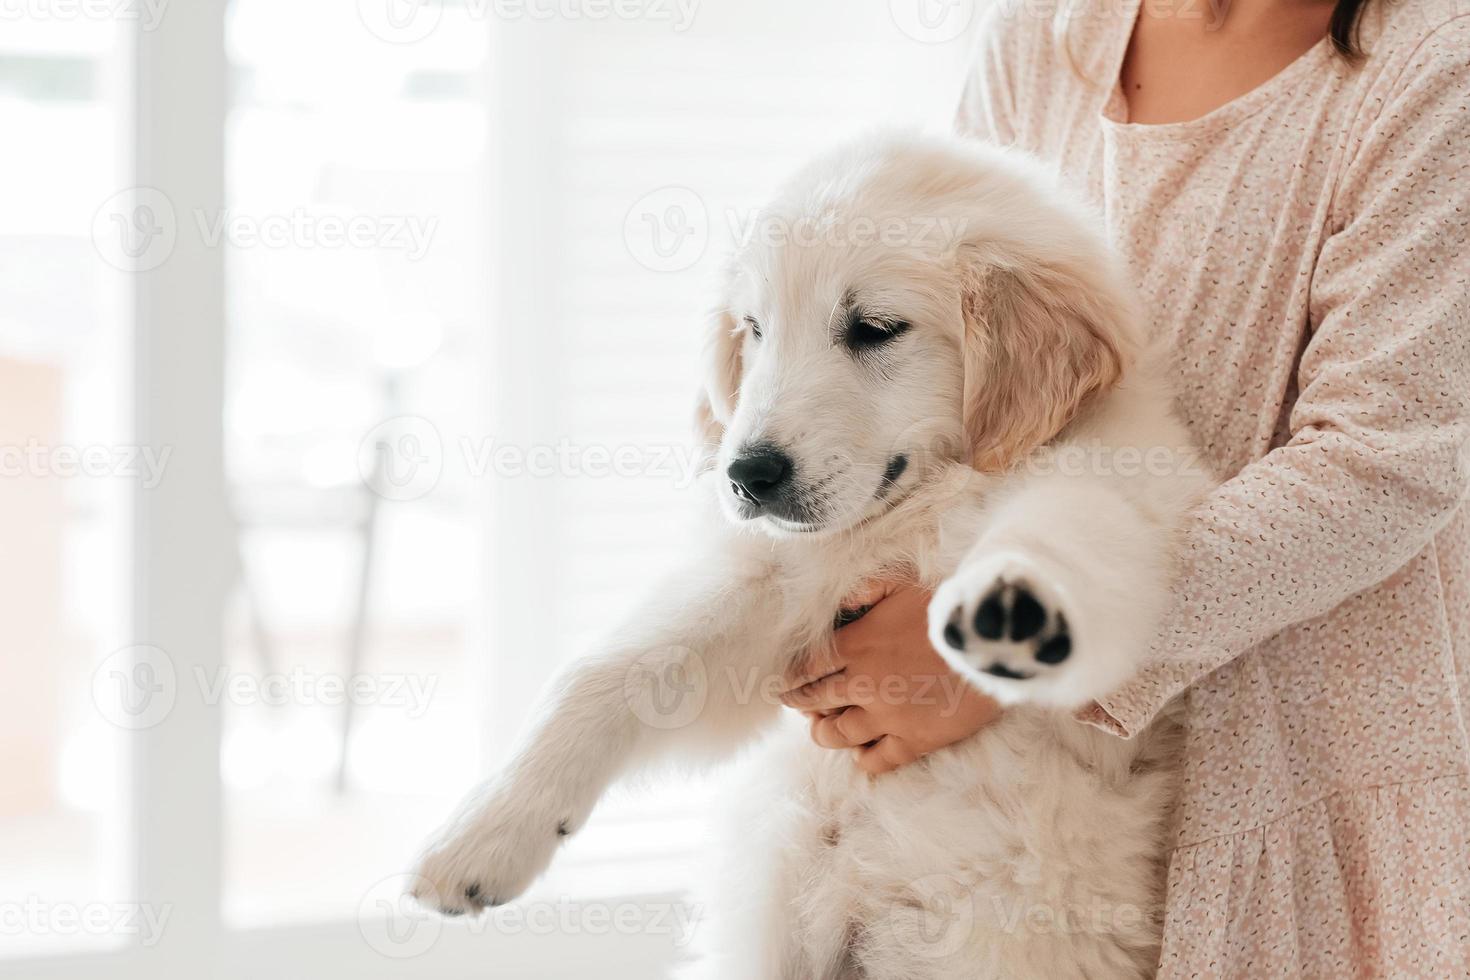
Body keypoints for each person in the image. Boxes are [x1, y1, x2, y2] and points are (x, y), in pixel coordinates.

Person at [781, 0, 1470, 973]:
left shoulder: (1432, 67)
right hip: (1004, 798)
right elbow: (952, 370)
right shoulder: (1041, 34)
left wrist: (989, 650)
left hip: (1284, 760)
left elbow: (1381, 460)